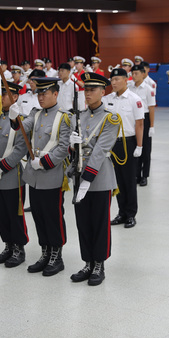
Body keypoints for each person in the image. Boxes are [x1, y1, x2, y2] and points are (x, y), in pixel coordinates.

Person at [9, 77, 71, 276]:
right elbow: (21, 128)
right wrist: (13, 117)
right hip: (34, 177)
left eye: (45, 93)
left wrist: (44, 162)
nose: (41, 97)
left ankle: (56, 255)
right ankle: (45, 252)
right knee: (38, 216)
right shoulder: (35, 114)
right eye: (39, 93)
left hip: (51, 175)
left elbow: (63, 148)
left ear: (55, 94)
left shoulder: (65, 117)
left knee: (53, 217)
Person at [68, 72, 120, 286]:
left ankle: (99, 263)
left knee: (99, 223)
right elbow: (76, 150)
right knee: (83, 222)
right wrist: (72, 144)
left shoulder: (111, 118)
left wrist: (87, 178)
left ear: (103, 91)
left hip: (98, 178)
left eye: (92, 90)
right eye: (85, 90)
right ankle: (88, 262)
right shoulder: (77, 116)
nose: (87, 93)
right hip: (80, 175)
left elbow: (100, 150)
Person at [0, 83, 29, 268]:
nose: (2, 98)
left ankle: (19, 248)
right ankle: (8, 246)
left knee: (14, 214)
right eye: (0, 94)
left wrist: (2, 166)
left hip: (11, 174)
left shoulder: (20, 119)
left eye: (6, 95)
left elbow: (21, 149)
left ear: (15, 97)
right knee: (0, 214)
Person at [106, 68, 144, 228]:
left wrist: (140, 146)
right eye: (112, 80)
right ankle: (121, 212)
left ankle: (130, 214)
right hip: (113, 144)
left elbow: (139, 123)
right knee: (117, 181)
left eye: (117, 80)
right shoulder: (108, 99)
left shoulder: (134, 99)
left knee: (129, 180)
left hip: (128, 143)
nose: (113, 83)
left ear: (126, 80)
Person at [128, 63, 156, 187]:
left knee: (145, 149)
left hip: (144, 119)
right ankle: (136, 175)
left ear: (143, 74)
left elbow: (151, 108)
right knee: (135, 147)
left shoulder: (148, 89)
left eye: (136, 74)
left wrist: (152, 126)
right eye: (132, 74)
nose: (134, 76)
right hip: (133, 119)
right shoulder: (129, 87)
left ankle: (145, 175)